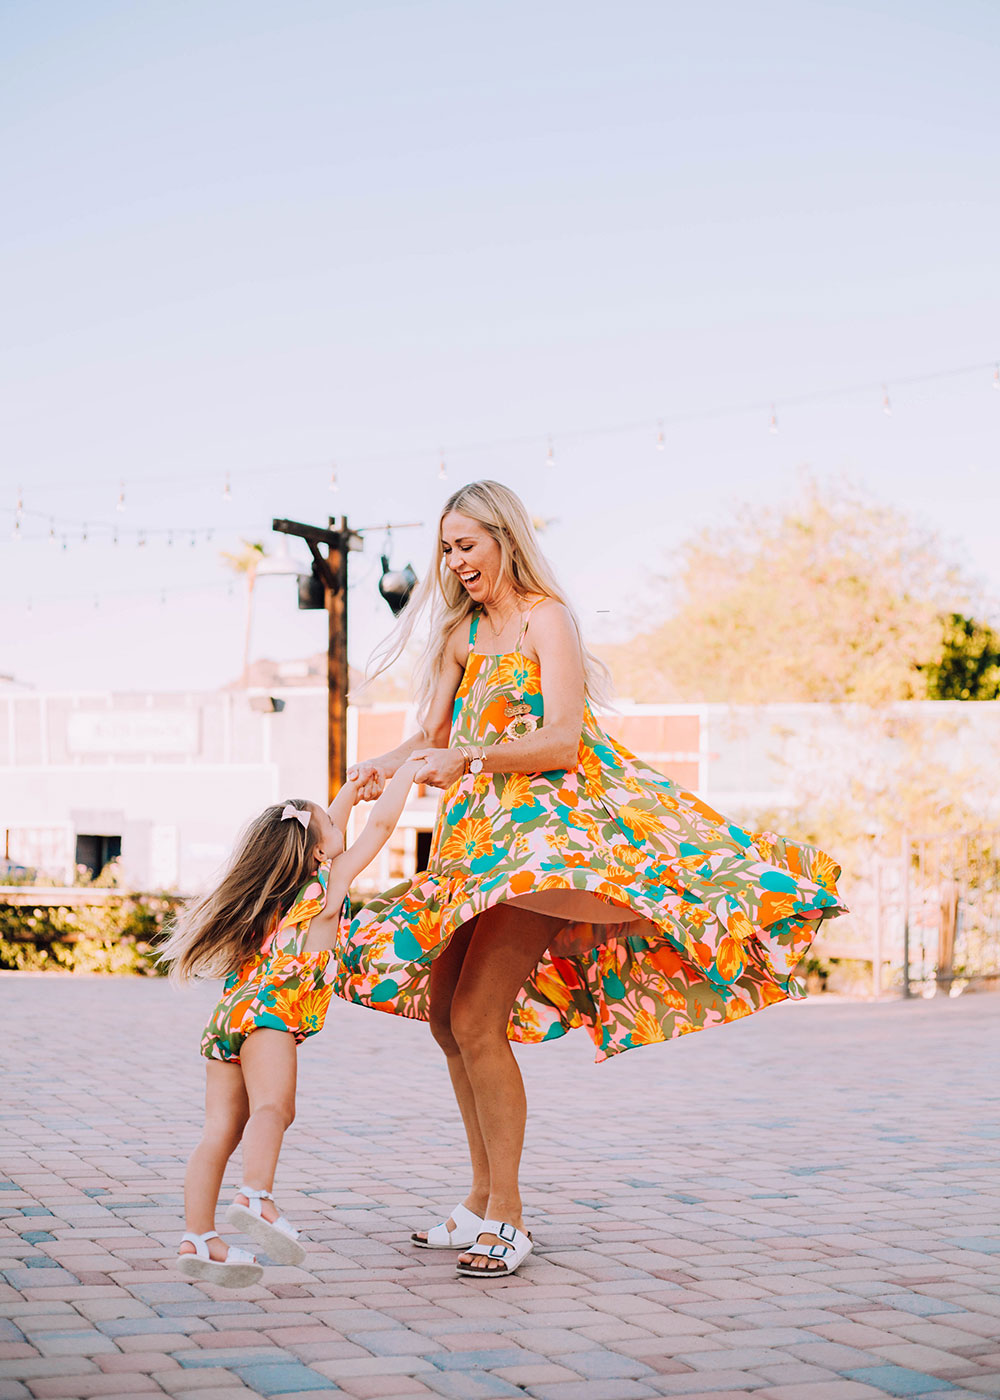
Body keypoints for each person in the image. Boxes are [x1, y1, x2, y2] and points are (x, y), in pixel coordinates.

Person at [338, 479, 845, 1279]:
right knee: (445, 1019)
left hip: (541, 848)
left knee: (476, 1019)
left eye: (466, 544)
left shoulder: (548, 618)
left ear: (504, 537)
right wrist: (383, 764)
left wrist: (467, 759)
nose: (454, 561)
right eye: (445, 548)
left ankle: (509, 1217)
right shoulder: (464, 633)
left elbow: (562, 739)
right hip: (474, 844)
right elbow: (428, 738)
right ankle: (477, 1201)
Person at [159, 761, 420, 1286]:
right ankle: (256, 1195)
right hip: (272, 1014)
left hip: (230, 1016)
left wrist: (347, 792)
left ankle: (200, 1236)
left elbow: (326, 830)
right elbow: (379, 831)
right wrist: (404, 778)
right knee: (276, 1108)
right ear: (321, 854)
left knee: (219, 1132)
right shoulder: (327, 889)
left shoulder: (272, 897)